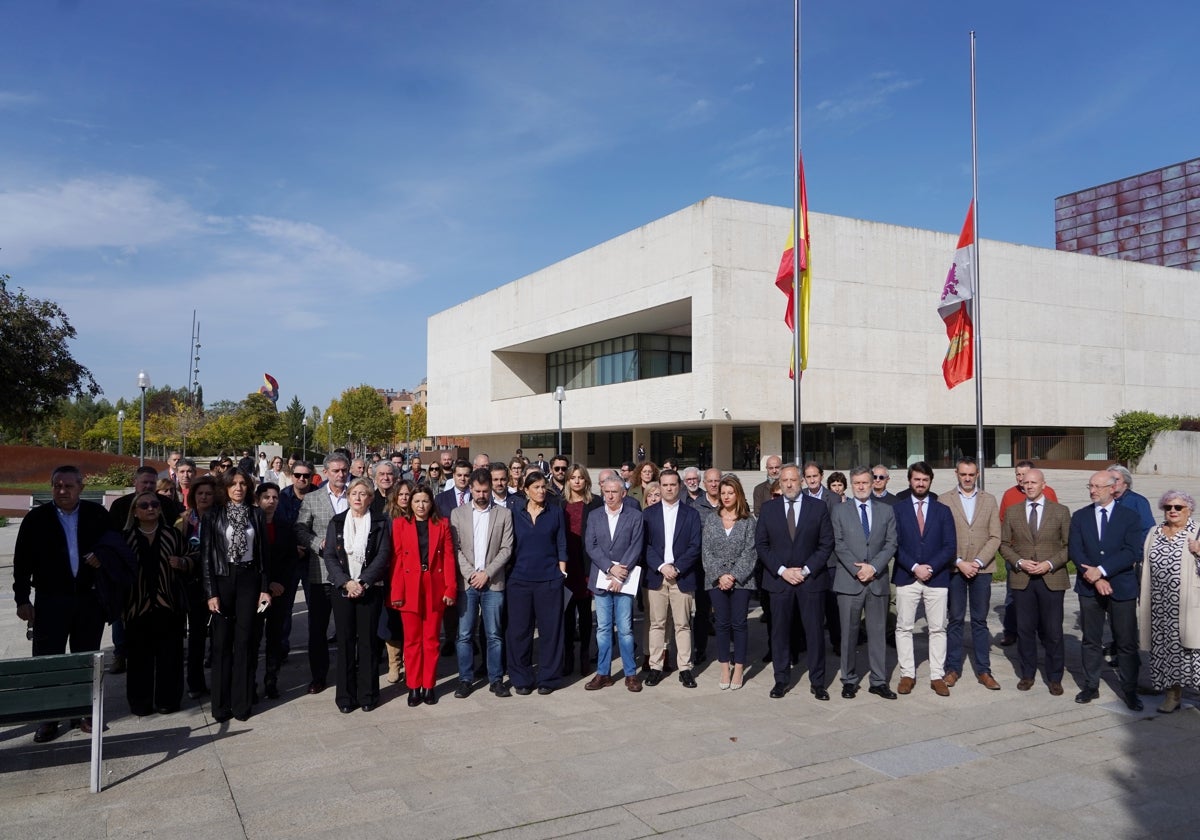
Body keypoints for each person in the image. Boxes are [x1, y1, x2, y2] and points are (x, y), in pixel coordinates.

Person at [14, 466, 126, 742]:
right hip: (51, 600)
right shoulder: (37, 519)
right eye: (57, 486)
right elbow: (21, 561)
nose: (62, 491)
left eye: (68, 486)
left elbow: (115, 547)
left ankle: (84, 713)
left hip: (89, 599)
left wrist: (102, 556)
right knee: (48, 659)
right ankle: (49, 718)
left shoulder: (96, 515)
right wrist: (22, 598)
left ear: (81, 488)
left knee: (86, 658)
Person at [755, 464, 835, 700]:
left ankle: (818, 682)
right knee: (779, 633)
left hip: (811, 581)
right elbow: (762, 545)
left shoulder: (818, 507)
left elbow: (826, 543)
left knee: (814, 634)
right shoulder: (769, 509)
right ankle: (781, 680)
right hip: (779, 582)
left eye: (793, 480)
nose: (789, 484)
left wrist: (807, 570)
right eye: (784, 480)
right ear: (779, 483)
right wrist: (782, 571)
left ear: (801, 481)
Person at [201, 470, 271, 722]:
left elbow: (263, 555)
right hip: (222, 579)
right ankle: (220, 705)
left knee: (244, 642)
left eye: (243, 484)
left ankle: (241, 704)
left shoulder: (257, 514)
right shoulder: (213, 515)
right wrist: (211, 592)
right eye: (233, 484)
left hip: (249, 580)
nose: (239, 488)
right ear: (225, 487)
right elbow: (206, 557)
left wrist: (264, 588)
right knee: (221, 644)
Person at [1070, 470, 1144, 710]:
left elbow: (1132, 551)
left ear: (1113, 488)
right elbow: (1076, 551)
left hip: (1121, 586)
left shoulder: (1129, 517)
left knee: (1126, 641)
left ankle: (1130, 689)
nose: (1092, 490)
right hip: (1089, 587)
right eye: (1090, 486)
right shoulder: (1080, 517)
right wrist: (1095, 578)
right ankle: (1091, 685)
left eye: (1098, 486)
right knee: (1091, 639)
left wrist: (1101, 570)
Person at [999, 468, 1071, 695]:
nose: (1028, 486)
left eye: (1033, 482)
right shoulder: (1012, 512)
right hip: (1023, 579)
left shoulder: (1060, 511)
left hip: (1051, 577)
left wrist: (1049, 564)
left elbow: (1070, 546)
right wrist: (1019, 562)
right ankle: (1027, 674)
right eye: (1025, 482)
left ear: (1043, 485)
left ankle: (1054, 676)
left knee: (1053, 631)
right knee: (1025, 630)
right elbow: (1003, 544)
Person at [830, 467, 899, 700]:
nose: (861, 486)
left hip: (877, 580)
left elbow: (891, 543)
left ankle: (878, 681)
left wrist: (874, 568)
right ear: (851, 484)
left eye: (865, 482)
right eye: (857, 482)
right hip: (849, 582)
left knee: (878, 633)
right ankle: (848, 680)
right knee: (848, 634)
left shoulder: (886, 510)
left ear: (873, 484)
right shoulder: (839, 511)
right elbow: (838, 544)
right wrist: (857, 569)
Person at [324, 477, 392, 713]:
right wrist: (346, 583)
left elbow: (383, 556)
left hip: (370, 589)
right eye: (354, 493)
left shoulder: (381, 522)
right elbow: (330, 556)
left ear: (370, 498)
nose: (358, 498)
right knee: (344, 643)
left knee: (368, 643)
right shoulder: (337, 521)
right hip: (343, 590)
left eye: (364, 494)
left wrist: (362, 582)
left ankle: (368, 695)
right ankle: (345, 697)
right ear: (349, 496)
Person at [891, 462, 956, 697]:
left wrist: (931, 567)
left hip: (936, 577)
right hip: (907, 576)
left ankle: (937, 675)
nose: (920, 483)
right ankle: (907, 674)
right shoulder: (898, 510)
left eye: (925, 480)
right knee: (904, 628)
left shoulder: (943, 511)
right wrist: (915, 567)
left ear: (930, 481)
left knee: (938, 628)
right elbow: (894, 545)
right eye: (916, 479)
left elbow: (950, 546)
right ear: (910, 480)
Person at [122, 490, 189, 716]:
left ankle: (167, 700)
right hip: (136, 607)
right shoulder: (125, 538)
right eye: (144, 506)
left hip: (167, 606)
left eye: (154, 505)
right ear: (135, 511)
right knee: (139, 659)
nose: (150, 508)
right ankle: (140, 703)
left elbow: (194, 556)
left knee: (170, 657)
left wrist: (182, 562)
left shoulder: (172, 535)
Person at [449, 469, 514, 698]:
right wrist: (470, 574)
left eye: (485, 491)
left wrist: (486, 573)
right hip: (467, 584)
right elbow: (455, 549)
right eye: (477, 490)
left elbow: (507, 548)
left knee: (494, 634)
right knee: (465, 634)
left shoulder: (504, 514)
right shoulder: (457, 514)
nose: (481, 495)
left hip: (493, 582)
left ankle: (496, 679)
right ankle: (465, 679)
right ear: (471, 489)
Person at [390, 484, 455, 705]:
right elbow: (397, 559)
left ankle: (429, 685)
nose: (420, 505)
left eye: (425, 501)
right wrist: (396, 591)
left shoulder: (442, 524)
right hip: (409, 587)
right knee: (411, 641)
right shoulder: (399, 524)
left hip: (434, 586)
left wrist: (450, 588)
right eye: (416, 501)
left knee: (432, 640)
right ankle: (413, 686)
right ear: (410, 503)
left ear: (431, 503)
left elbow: (448, 558)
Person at [942, 457, 1003, 691]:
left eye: (971, 475)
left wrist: (977, 562)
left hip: (982, 569)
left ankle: (984, 670)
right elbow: (942, 537)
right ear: (956, 474)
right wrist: (959, 562)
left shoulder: (989, 500)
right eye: (963, 474)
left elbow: (995, 537)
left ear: (977, 475)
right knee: (955, 619)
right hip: (954, 569)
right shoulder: (944, 500)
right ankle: (953, 668)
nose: (967, 478)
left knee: (979, 620)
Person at [293, 453, 351, 694]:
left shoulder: (356, 494)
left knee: (347, 629)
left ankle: (348, 674)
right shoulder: (312, 498)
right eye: (335, 471)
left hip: (350, 574)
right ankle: (319, 675)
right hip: (320, 573)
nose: (340, 475)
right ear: (325, 472)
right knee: (318, 629)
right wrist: (318, 544)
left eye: (344, 470)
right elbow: (299, 529)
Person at [507, 471, 568, 695]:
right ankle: (521, 678)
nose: (541, 491)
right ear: (526, 491)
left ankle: (548, 678)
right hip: (519, 580)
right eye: (536, 487)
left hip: (549, 580)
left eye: (544, 487)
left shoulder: (556, 512)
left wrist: (561, 573)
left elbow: (562, 544)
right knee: (519, 632)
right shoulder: (514, 513)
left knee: (550, 632)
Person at [1139, 490, 1200, 713]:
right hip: (1159, 606)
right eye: (1168, 507)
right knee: (1165, 652)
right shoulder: (1154, 532)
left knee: (1193, 653)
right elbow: (1146, 567)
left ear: (1189, 509)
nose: (1172, 511)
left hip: (1189, 605)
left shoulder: (1197, 532)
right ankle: (1172, 696)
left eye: (1178, 507)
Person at [641, 469, 702, 688]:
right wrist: (661, 566)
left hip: (682, 577)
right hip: (656, 576)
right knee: (657, 624)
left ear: (680, 486)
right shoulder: (648, 514)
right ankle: (656, 667)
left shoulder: (691, 514)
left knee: (683, 625)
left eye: (673, 485)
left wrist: (676, 567)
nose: (669, 488)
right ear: (660, 486)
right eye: (665, 485)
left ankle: (685, 668)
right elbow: (644, 545)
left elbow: (695, 546)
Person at [584, 477, 645, 693]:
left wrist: (620, 575)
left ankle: (630, 674)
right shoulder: (594, 515)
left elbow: (636, 546)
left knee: (626, 629)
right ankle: (603, 673)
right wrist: (610, 568)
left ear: (623, 494)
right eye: (606, 491)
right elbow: (591, 546)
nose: (610, 496)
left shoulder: (635, 516)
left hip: (625, 581)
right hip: (601, 577)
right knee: (603, 628)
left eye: (614, 492)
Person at [701, 474, 758, 691]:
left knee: (739, 623)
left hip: (741, 580)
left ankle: (739, 667)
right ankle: (725, 666)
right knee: (722, 623)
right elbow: (706, 551)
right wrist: (720, 576)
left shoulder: (747, 521)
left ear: (738, 494)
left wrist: (733, 575)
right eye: (723, 493)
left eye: (730, 492)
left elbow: (750, 552)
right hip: (716, 580)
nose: (726, 496)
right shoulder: (711, 519)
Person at [998, 460, 1059, 646]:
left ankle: (1042, 631)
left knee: (1042, 595)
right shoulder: (1009, 494)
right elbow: (1002, 522)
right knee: (1012, 595)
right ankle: (1011, 631)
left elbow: (1054, 521)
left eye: (1025, 475)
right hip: (1017, 554)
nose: (1022, 479)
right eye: (1018, 475)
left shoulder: (1048, 493)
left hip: (1043, 555)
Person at [256, 481, 300, 700]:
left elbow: (292, 558)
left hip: (279, 591)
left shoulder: (284, 526)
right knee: (253, 637)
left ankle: (271, 679)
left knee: (275, 637)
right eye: (266, 497)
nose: (271, 501)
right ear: (258, 500)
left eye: (275, 498)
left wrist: (280, 583)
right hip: (256, 591)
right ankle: (250, 681)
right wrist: (266, 584)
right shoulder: (250, 525)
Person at [562, 464, 601, 675]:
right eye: (573, 477)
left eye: (580, 477)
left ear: (586, 480)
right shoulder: (559, 504)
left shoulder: (595, 503)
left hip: (586, 565)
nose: (577, 481)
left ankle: (585, 654)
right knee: (567, 616)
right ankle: (568, 656)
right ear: (567, 481)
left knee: (586, 614)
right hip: (567, 566)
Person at [1109, 464, 1156, 543]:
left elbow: (1148, 530)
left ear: (1126, 483)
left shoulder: (1137, 501)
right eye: (1110, 479)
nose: (1113, 483)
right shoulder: (1104, 501)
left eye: (1117, 479)